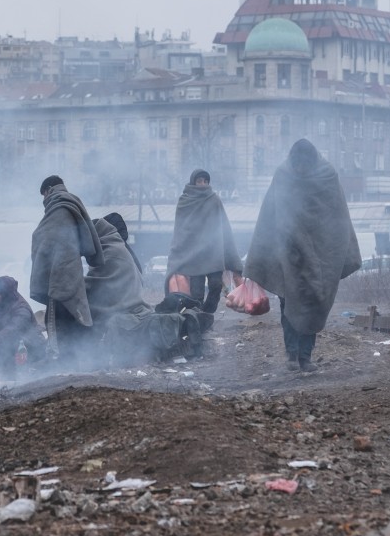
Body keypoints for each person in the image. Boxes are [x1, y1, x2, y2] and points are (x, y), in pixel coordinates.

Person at [243, 139, 361, 373]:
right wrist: (261, 255)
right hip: (288, 252)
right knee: (289, 304)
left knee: (314, 304)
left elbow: (338, 215)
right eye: (297, 166)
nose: (300, 171)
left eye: (304, 166)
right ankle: (292, 354)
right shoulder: (283, 174)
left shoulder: (327, 175)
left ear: (311, 162)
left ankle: (305, 357)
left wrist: (340, 248)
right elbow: (269, 214)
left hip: (320, 255)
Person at [87, 218, 193, 364]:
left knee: (97, 323)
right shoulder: (114, 248)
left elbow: (96, 286)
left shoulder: (111, 253)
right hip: (129, 306)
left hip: (129, 308)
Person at [29, 175, 104, 364]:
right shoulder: (72, 202)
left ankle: (61, 360)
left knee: (57, 318)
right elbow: (89, 237)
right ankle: (80, 360)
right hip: (73, 271)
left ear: (48, 190)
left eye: (43, 195)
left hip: (59, 274)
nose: (43, 200)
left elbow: (42, 237)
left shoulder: (58, 207)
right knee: (74, 314)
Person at [165, 169, 243, 314]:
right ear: (193, 182)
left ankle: (207, 314)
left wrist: (230, 255)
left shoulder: (214, 199)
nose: (203, 184)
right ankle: (198, 319)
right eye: (199, 181)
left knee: (215, 286)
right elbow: (181, 230)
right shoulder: (185, 201)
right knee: (197, 293)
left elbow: (223, 226)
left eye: (205, 181)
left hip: (213, 253)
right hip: (195, 256)